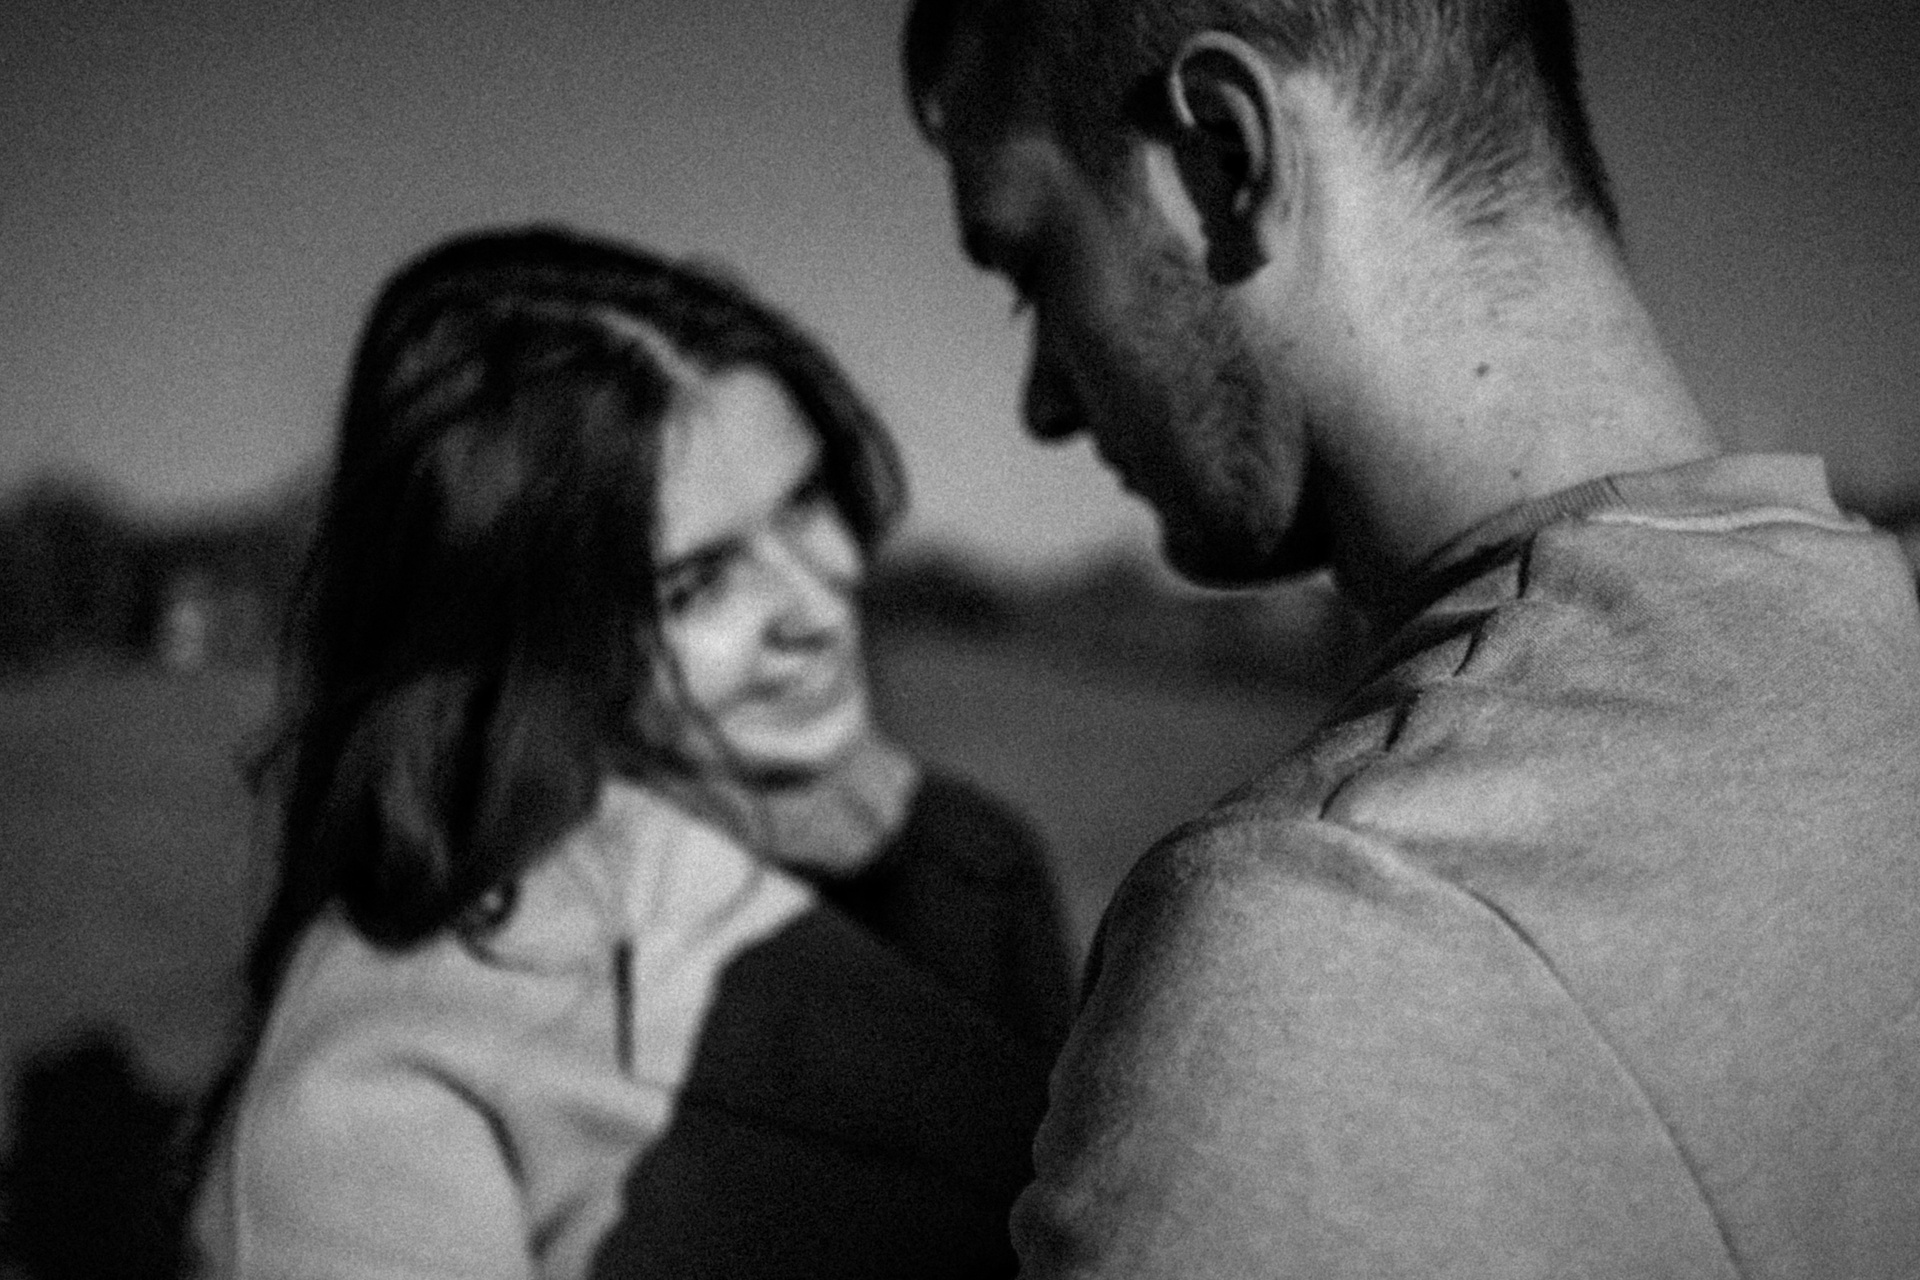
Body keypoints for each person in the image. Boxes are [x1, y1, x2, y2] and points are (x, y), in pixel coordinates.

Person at [904, 1, 1920, 1275]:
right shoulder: (1878, 649)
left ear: (1223, 162)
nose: (1044, 400)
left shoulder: (1340, 928)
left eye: (1031, 268)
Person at [185, 225, 1075, 1280]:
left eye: (805, 501)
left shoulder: (971, 856)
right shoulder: (387, 1061)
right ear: (524, 634)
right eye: (695, 584)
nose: (816, 603)